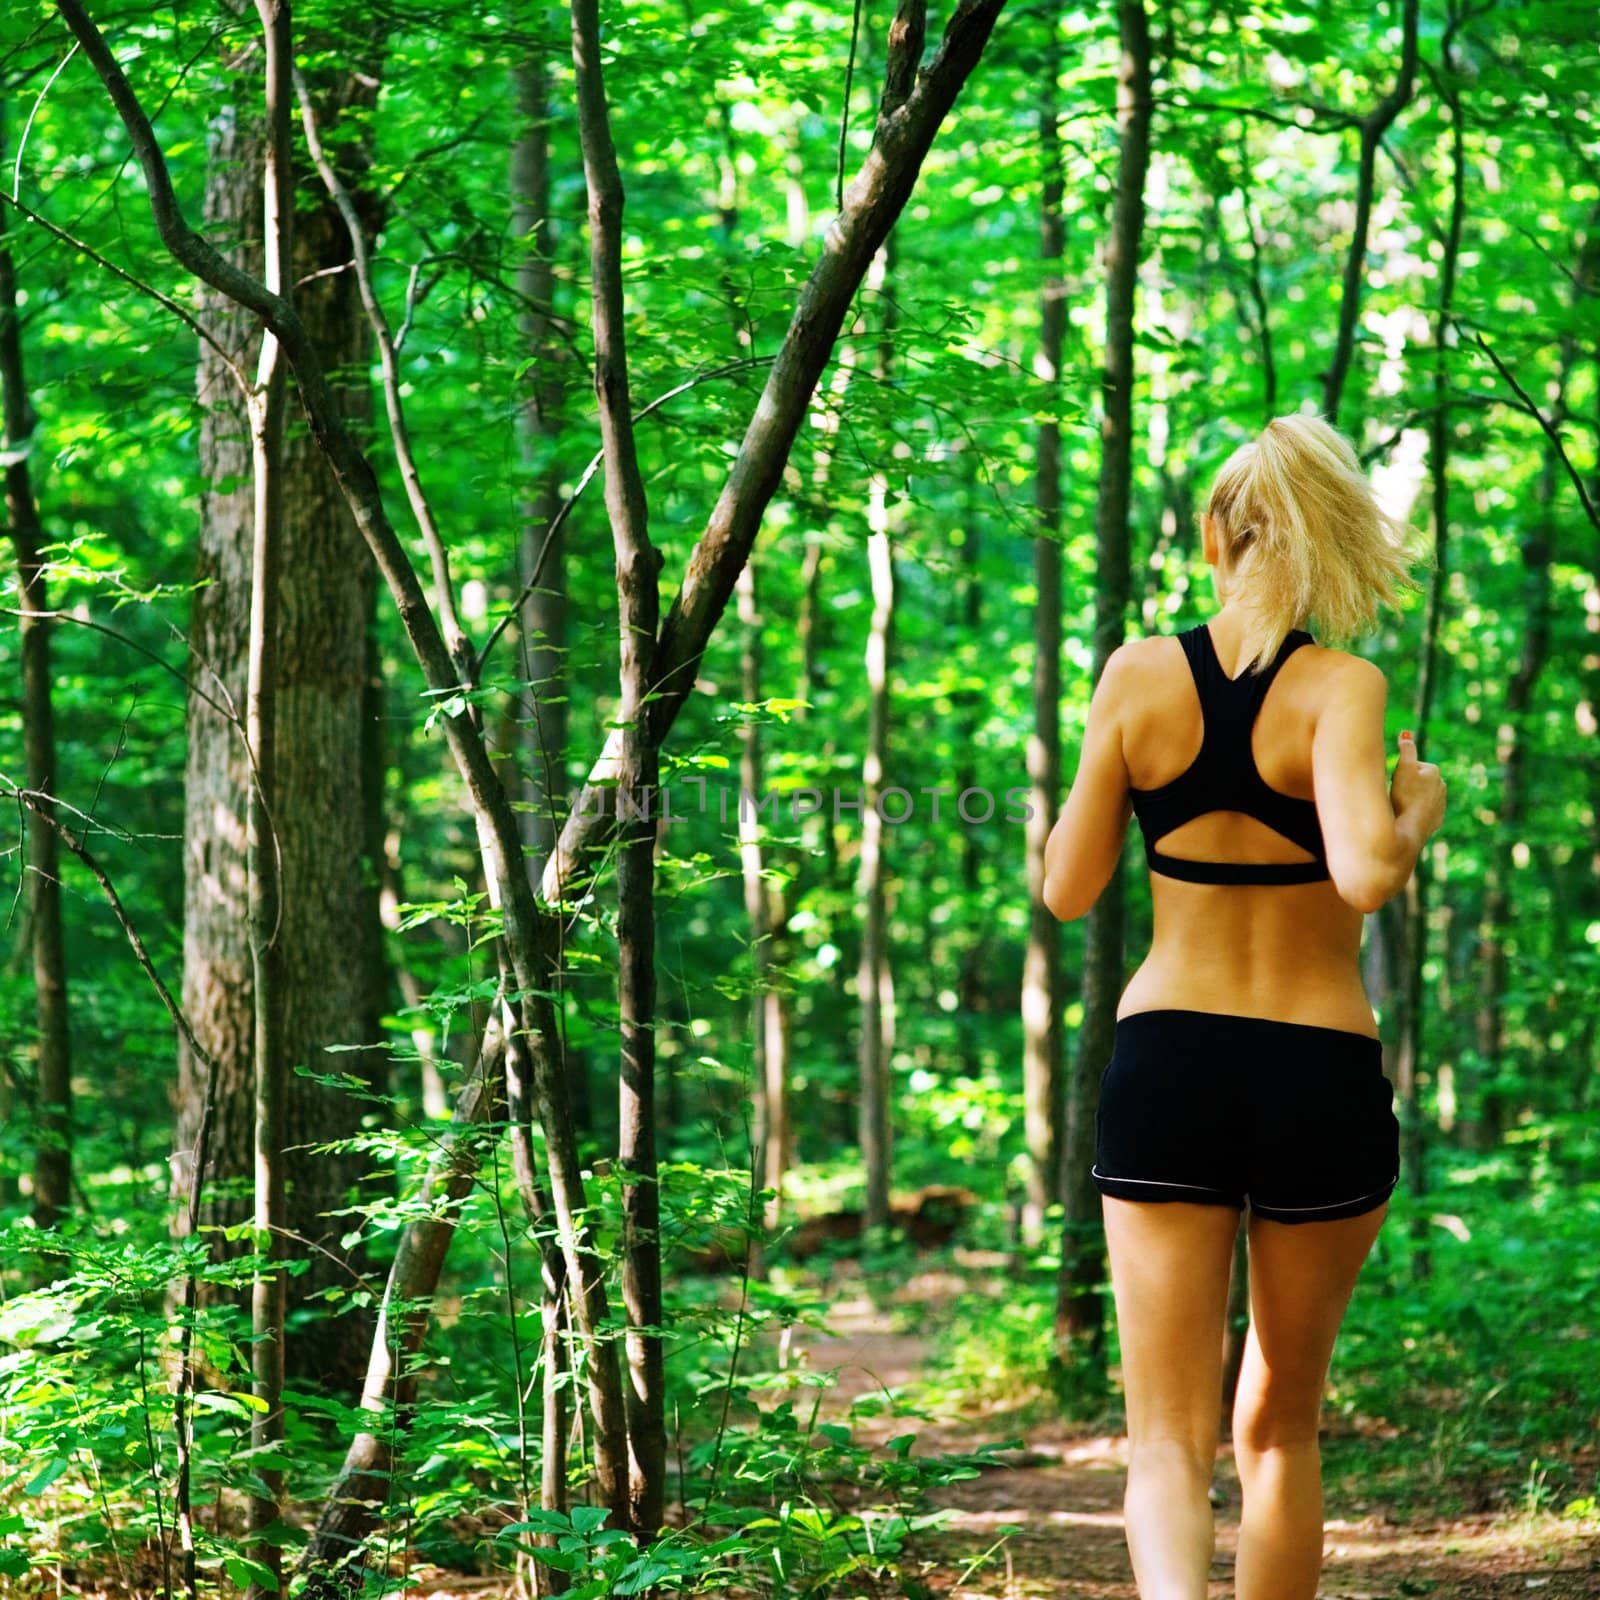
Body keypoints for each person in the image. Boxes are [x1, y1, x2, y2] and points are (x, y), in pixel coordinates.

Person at [1040, 413, 1448, 1600]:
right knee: (1279, 1426)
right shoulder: (1342, 686)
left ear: (1216, 536)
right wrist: (1414, 811)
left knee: (1164, 1435)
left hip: (1167, 1060)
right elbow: (1367, 875)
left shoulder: (1135, 672)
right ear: (1331, 542)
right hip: (1315, 1070)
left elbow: (1068, 891)